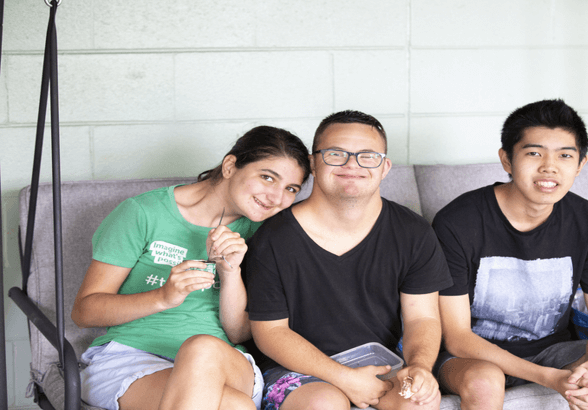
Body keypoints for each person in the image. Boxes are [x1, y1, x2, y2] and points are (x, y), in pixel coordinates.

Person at [432, 99, 588, 410]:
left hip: (555, 350)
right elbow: (457, 337)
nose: (549, 166)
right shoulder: (459, 221)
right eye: (534, 153)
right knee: (484, 382)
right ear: (507, 160)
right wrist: (547, 377)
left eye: (564, 155)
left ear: (580, 165)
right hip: (472, 357)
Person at [71, 126, 311, 410]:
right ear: (231, 166)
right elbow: (85, 312)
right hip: (131, 357)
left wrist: (230, 272)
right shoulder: (143, 213)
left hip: (226, 362)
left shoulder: (269, 232)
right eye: (267, 177)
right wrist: (163, 297)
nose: (276, 198)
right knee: (235, 406)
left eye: (290, 189)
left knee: (202, 348)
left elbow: (238, 333)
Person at [245, 110, 453, 410]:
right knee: (324, 404)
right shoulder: (274, 238)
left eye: (367, 156)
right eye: (335, 154)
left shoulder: (413, 231)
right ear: (313, 163)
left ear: (385, 167)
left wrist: (419, 366)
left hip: (382, 363)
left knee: (417, 401)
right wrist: (343, 378)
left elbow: (422, 317)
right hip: (298, 370)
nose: (351, 164)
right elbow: (270, 332)